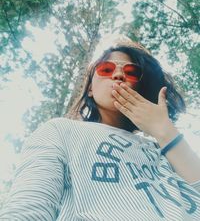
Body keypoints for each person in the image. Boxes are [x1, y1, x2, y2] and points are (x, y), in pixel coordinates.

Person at [0, 36, 200, 221]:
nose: (119, 75)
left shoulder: (165, 149)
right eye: (106, 69)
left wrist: (165, 131)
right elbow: (27, 209)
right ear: (90, 88)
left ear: (139, 87)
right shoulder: (62, 131)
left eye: (131, 72)